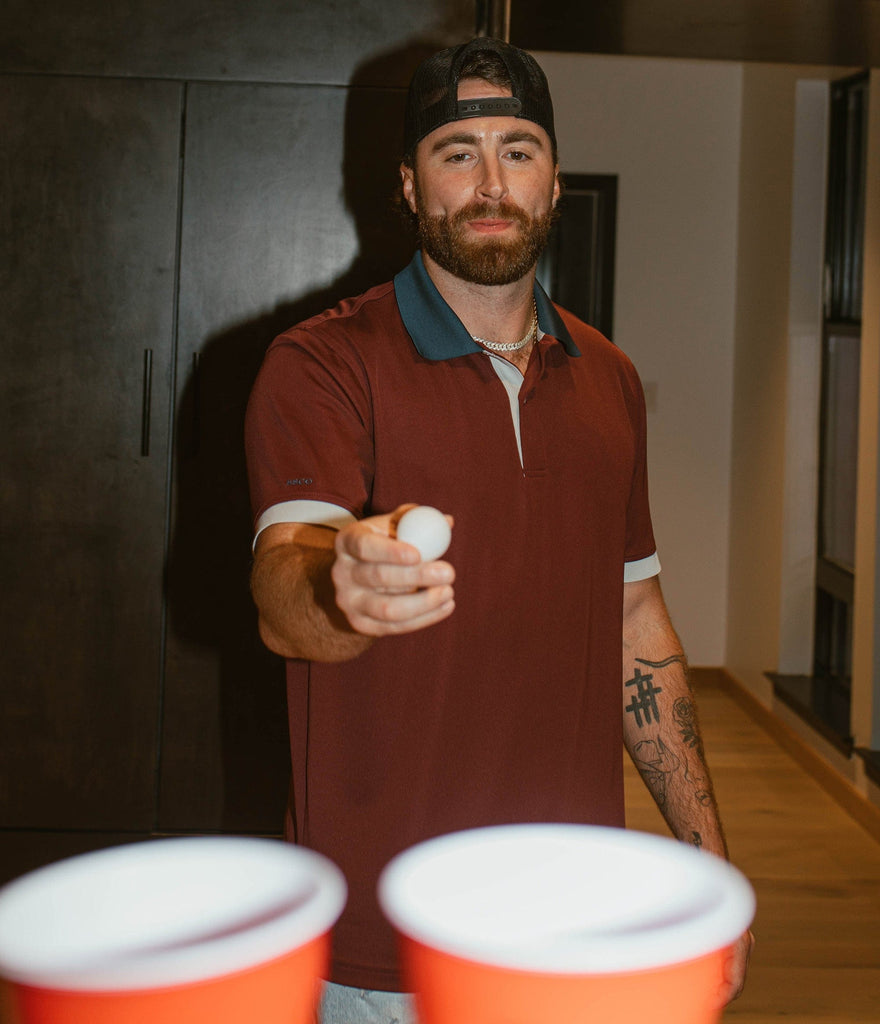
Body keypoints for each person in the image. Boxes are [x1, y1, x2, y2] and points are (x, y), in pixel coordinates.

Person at [245, 37, 753, 1024]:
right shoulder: (322, 365)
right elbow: (282, 586)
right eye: (456, 153)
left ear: (553, 179)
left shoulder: (607, 378)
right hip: (382, 949)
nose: (490, 183)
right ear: (409, 185)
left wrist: (710, 867)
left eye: (517, 151)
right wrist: (339, 593)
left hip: (569, 922)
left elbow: (636, 624)